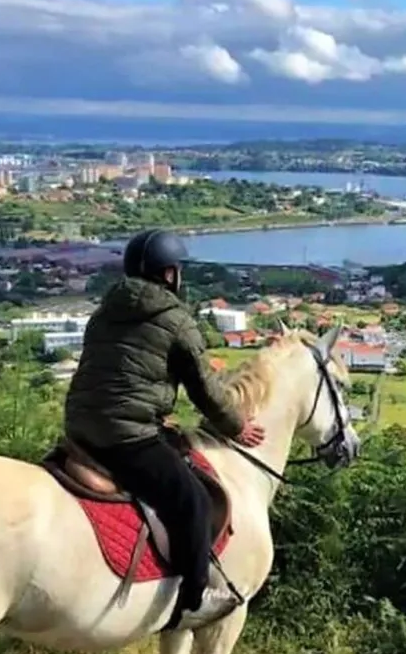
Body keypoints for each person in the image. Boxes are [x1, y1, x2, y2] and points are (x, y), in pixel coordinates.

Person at [63, 228, 266, 630]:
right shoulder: (176, 320)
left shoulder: (104, 311)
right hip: (126, 435)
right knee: (192, 498)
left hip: (81, 427)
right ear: (170, 274)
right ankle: (194, 599)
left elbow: (118, 374)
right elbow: (206, 391)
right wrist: (236, 426)